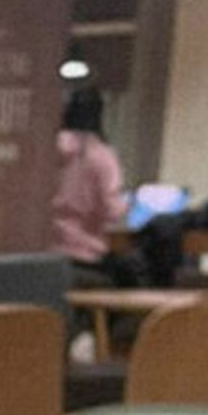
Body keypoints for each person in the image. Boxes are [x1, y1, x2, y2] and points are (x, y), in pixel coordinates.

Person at [49, 85, 131, 280]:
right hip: (86, 254)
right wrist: (128, 205)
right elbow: (111, 210)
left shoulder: (47, 149)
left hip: (46, 252)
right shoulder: (101, 156)